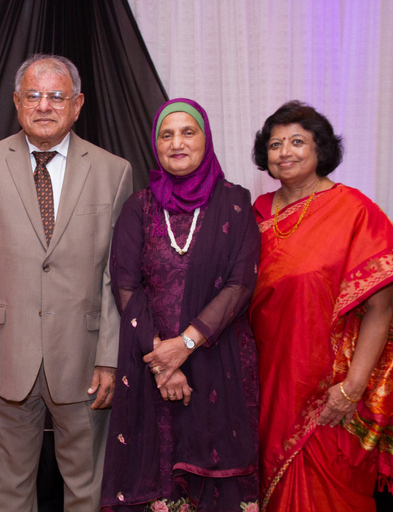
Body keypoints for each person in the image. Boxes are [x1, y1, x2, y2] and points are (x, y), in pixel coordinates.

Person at [0, 53, 133, 511]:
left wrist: (110, 357)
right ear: (16, 102)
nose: (44, 105)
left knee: (87, 488)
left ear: (78, 104)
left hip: (84, 358)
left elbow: (117, 277)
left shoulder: (113, 171)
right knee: (11, 488)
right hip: (2, 356)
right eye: (33, 95)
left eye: (57, 96)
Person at [249, 101, 393, 511]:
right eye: (275, 144)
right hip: (265, 381)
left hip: (329, 389)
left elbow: (384, 307)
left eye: (297, 141)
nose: (285, 152)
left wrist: (351, 389)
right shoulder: (256, 213)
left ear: (321, 150)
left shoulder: (354, 211)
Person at [100, 99, 261, 511]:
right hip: (151, 362)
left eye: (188, 132)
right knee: (159, 477)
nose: (177, 143)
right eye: (166, 135)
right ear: (155, 144)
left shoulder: (236, 202)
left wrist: (184, 345)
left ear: (206, 139)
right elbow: (126, 285)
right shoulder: (139, 206)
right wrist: (162, 360)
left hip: (218, 358)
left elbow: (240, 284)